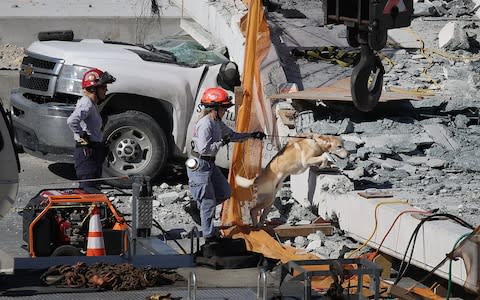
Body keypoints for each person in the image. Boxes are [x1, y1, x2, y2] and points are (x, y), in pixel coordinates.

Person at [185, 87, 265, 243]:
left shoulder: (216, 122)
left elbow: (231, 135)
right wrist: (222, 142)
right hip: (200, 165)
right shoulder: (206, 124)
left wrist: (251, 136)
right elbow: (205, 149)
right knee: (208, 202)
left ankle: (196, 205)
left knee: (225, 192)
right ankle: (209, 236)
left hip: (209, 165)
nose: (225, 111)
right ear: (215, 109)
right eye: (223, 108)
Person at [67, 68, 116, 193]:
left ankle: (93, 212)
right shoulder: (86, 104)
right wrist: (82, 136)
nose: (106, 90)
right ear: (93, 88)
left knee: (92, 187)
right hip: (86, 153)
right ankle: (91, 212)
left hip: (92, 151)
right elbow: (72, 121)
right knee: (89, 189)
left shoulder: (91, 104)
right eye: (103, 87)